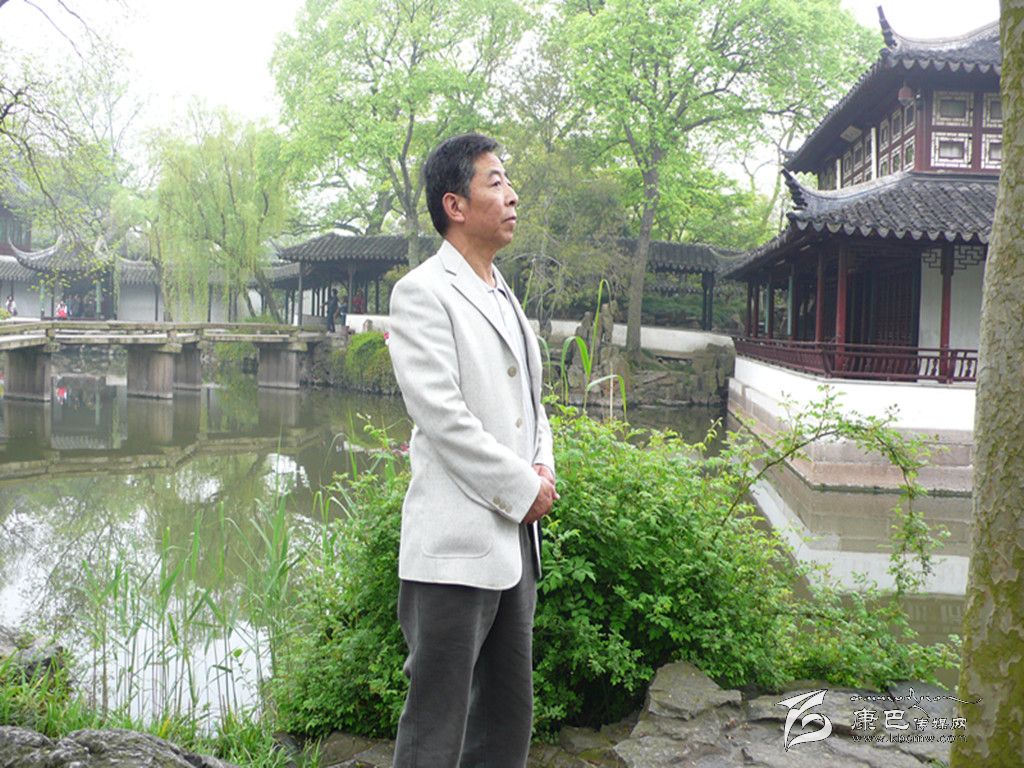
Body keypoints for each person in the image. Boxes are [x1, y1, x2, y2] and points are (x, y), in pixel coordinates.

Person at [387, 133, 558, 767]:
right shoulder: (422, 292)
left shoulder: (503, 291)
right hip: (454, 550)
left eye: (509, 182)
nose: (512, 196)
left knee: (506, 719)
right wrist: (523, 487)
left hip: (515, 544)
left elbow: (533, 404)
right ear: (454, 205)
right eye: (496, 182)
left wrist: (543, 464)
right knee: (435, 725)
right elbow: (445, 421)